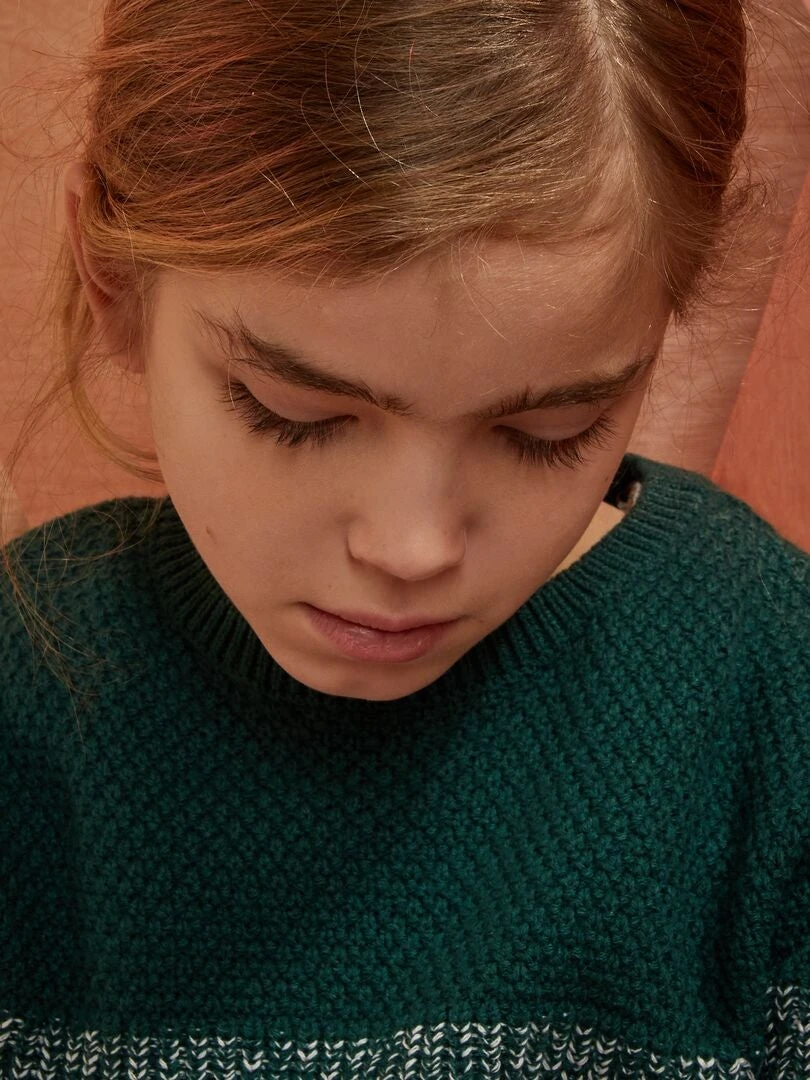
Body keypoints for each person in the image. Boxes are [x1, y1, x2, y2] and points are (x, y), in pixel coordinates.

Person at [0, 1, 808, 1077]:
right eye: (292, 411)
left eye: (549, 432)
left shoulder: (772, 691)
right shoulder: (26, 692)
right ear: (111, 279)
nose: (413, 547)